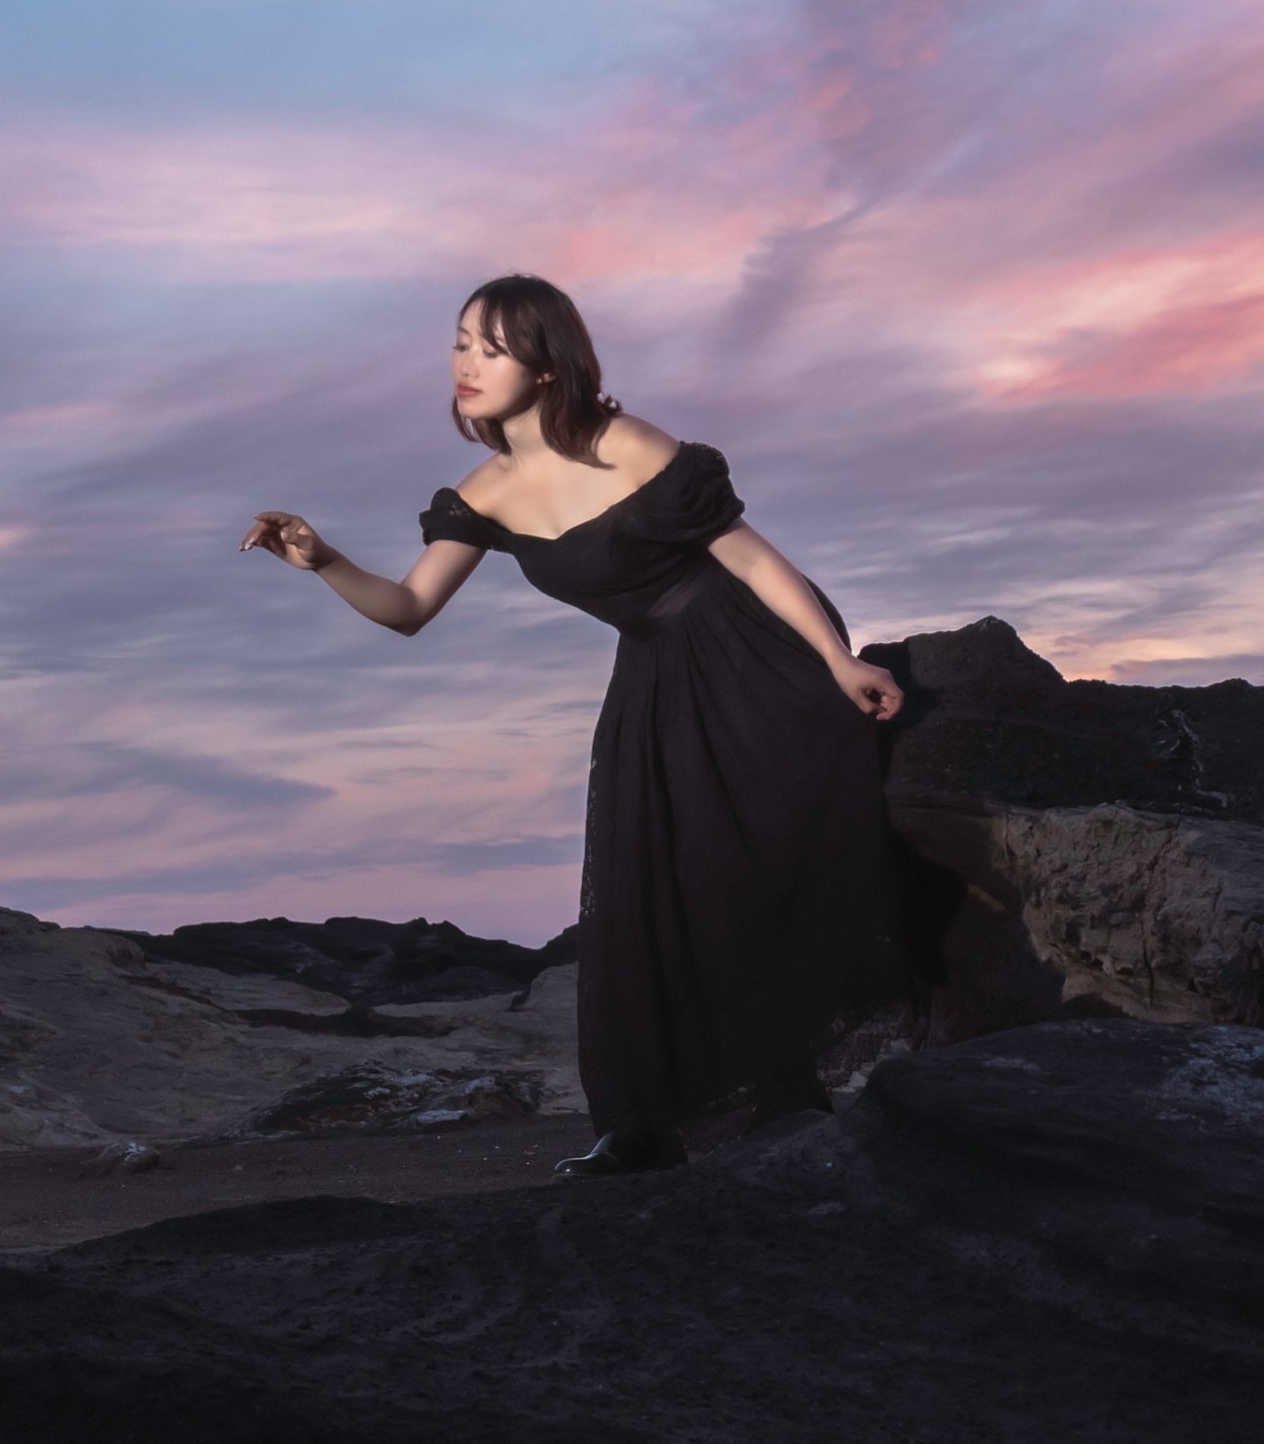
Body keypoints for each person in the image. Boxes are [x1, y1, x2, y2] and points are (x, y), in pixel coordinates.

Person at [241, 272, 907, 1173]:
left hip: (748, 647)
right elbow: (406, 607)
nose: (468, 363)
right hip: (654, 673)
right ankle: (645, 1125)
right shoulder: (485, 492)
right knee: (642, 888)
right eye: (462, 341)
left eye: (495, 347)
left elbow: (752, 559)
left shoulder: (623, 442)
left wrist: (836, 657)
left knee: (745, 862)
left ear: (549, 368)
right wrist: (322, 559)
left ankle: (787, 1091)